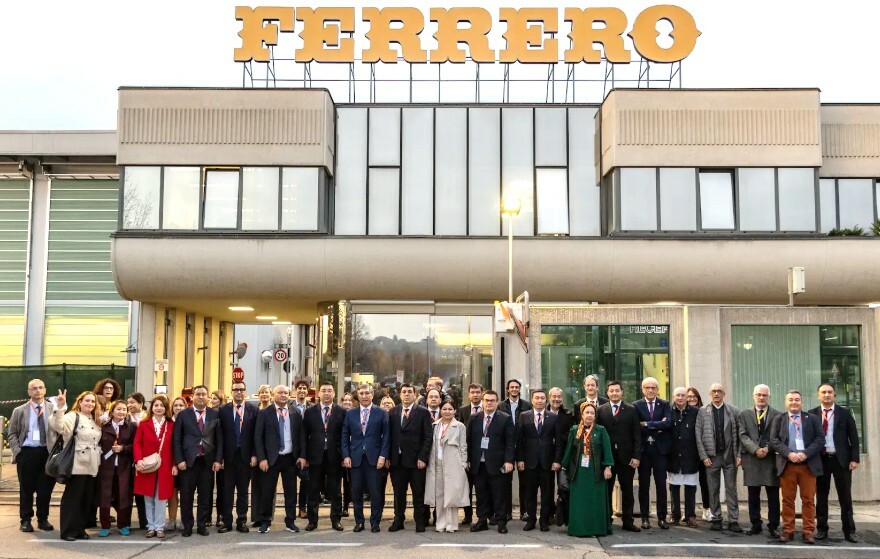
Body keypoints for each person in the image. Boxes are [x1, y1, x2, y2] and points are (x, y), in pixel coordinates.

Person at [769, 390, 824, 544]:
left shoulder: (812, 419)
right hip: (788, 465)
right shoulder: (779, 419)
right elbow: (774, 440)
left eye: (797, 399)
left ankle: (808, 531)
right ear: (786, 402)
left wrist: (806, 453)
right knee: (787, 500)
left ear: (801, 402)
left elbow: (820, 439)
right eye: (791, 400)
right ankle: (788, 530)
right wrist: (789, 454)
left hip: (808, 465)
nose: (794, 402)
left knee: (808, 500)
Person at [810, 384, 860, 543]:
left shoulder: (844, 413)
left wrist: (854, 458)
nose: (827, 395)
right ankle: (822, 529)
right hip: (821, 460)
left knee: (845, 497)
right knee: (821, 497)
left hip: (841, 461)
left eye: (830, 392)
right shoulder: (812, 414)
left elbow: (853, 436)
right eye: (823, 392)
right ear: (818, 395)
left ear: (834, 395)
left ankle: (849, 531)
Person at [50, 389, 102, 541]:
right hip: (77, 463)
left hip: (92, 465)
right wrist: (60, 407)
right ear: (80, 402)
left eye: (93, 401)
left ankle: (79, 529)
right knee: (73, 498)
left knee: (86, 498)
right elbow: (58, 426)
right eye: (87, 400)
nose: (90, 403)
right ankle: (68, 530)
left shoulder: (94, 419)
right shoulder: (73, 416)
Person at [254, 384, 307, 534]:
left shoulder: (295, 412)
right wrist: (262, 458)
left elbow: (301, 436)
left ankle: (290, 521)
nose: (283, 395)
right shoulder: (265, 413)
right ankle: (265, 521)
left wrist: (302, 455)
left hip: (290, 458)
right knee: (267, 491)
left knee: (291, 491)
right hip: (271, 459)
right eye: (280, 393)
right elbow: (258, 436)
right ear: (273, 395)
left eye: (286, 393)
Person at [8, 378, 58, 533]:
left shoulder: (54, 409)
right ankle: (25, 520)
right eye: (34, 388)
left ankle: (43, 519)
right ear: (29, 391)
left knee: (45, 489)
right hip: (27, 453)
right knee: (26, 489)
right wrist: (18, 451)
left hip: (47, 453)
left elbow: (61, 430)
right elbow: (12, 433)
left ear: (45, 390)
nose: (37, 390)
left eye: (40, 387)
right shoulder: (19, 410)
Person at [172, 385, 223, 537]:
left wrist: (218, 459)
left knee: (205, 495)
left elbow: (219, 439)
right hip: (188, 462)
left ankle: (202, 525)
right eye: (198, 394)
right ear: (192, 397)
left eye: (204, 394)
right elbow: (177, 439)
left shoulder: (214, 414)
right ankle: (187, 526)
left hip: (207, 461)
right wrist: (179, 460)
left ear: (208, 397)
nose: (201, 397)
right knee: (186, 496)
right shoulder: (183, 414)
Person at [341, 383, 390, 533]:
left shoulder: (381, 413)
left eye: (367, 393)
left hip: (374, 459)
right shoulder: (351, 413)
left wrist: (383, 456)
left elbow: (386, 437)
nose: (364, 396)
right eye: (361, 393)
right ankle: (359, 522)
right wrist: (346, 455)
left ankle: (375, 522)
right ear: (358, 395)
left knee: (375, 492)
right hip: (355, 458)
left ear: (372, 394)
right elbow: (344, 436)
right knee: (356, 492)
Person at [561, 403, 613, 537]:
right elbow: (569, 450)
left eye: (592, 413)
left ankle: (596, 529)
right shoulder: (574, 430)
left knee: (595, 501)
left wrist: (608, 466)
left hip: (596, 472)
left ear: (595, 416)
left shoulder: (601, 430)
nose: (589, 415)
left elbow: (607, 450)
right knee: (579, 502)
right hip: (578, 473)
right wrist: (563, 467)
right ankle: (579, 529)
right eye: (587, 413)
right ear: (582, 415)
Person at [467, 390, 515, 534]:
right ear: (482, 402)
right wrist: (468, 459)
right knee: (481, 494)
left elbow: (510, 442)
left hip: (497, 464)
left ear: (497, 402)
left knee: (499, 494)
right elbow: (468, 440)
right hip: (478, 464)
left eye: (492, 400)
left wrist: (509, 461)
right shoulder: (474, 418)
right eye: (486, 400)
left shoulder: (505, 418)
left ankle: (501, 522)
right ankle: (482, 520)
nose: (489, 403)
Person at [596, 380, 641, 532]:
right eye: (611, 391)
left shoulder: (631, 410)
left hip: (627, 458)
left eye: (617, 390)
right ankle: (607, 520)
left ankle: (628, 521)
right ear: (607, 393)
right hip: (608, 459)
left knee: (627, 490)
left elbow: (637, 435)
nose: (614, 393)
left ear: (622, 392)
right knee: (606, 490)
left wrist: (636, 456)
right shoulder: (601, 410)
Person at [695, 383, 742, 532]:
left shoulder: (733, 411)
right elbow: (698, 435)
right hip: (711, 457)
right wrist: (704, 456)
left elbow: (740, 435)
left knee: (731, 489)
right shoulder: (703, 411)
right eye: (714, 391)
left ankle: (733, 520)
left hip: (729, 456)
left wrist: (738, 454)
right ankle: (716, 518)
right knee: (713, 489)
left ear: (724, 394)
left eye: (719, 391)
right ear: (710, 394)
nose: (716, 393)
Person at [387, 383, 433, 532]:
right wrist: (388, 457)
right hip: (397, 461)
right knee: (398, 493)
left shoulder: (423, 412)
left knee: (418, 493)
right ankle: (398, 520)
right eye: (404, 392)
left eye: (409, 392)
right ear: (400, 395)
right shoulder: (393, 412)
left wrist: (423, 457)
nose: (406, 394)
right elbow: (389, 436)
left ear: (415, 394)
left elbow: (428, 437)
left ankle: (420, 521)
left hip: (416, 461)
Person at [737, 383, 781, 538]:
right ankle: (755, 524)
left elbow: (778, 436)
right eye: (759, 395)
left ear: (769, 397)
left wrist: (767, 449)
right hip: (752, 458)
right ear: (753, 396)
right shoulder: (744, 415)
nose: (761, 398)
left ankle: (773, 525)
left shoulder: (777, 415)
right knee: (753, 494)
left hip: (770, 459)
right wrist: (755, 449)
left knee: (773, 495)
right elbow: (742, 435)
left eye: (764, 395)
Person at [303, 381, 345, 532]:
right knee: (313, 489)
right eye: (324, 390)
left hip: (334, 456)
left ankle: (336, 519)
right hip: (315, 456)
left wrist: (344, 455)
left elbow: (344, 435)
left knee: (335, 490)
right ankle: (312, 521)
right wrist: (304, 456)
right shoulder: (310, 412)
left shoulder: (341, 411)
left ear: (334, 393)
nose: (326, 393)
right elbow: (304, 436)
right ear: (318, 393)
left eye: (329, 390)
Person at [133, 394, 177, 539]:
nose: (159, 408)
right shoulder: (144, 424)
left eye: (162, 406)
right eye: (156, 405)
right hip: (147, 464)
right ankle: (151, 527)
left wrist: (174, 464)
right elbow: (137, 443)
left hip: (165, 466)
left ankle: (159, 527)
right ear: (152, 407)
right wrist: (138, 460)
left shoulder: (171, 425)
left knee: (161, 498)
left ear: (166, 408)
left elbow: (175, 447)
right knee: (148, 497)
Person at [516, 390, 559, 532]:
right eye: (537, 398)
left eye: (542, 398)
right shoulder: (524, 416)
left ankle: (544, 520)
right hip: (529, 462)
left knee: (547, 494)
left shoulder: (553, 417)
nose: (540, 401)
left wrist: (556, 460)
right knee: (530, 493)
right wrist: (520, 459)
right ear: (532, 400)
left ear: (546, 400)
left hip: (547, 462)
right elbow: (519, 440)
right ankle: (531, 520)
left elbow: (558, 441)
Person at [218, 381, 258, 533]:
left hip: (245, 457)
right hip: (228, 458)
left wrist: (254, 454)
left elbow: (256, 435)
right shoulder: (223, 410)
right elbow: (220, 435)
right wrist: (219, 457)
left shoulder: (253, 410)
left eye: (241, 390)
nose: (239, 392)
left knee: (243, 491)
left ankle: (242, 521)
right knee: (227, 491)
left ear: (245, 392)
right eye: (236, 390)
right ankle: (226, 522)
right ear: (231, 392)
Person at [426, 400, 470, 533]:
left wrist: (463, 463)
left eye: (450, 409)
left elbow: (463, 446)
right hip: (437, 464)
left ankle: (451, 525)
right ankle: (440, 524)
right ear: (440, 410)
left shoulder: (460, 426)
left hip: (454, 464)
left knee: (452, 495)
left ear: (455, 411)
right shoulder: (435, 425)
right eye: (444, 409)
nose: (447, 411)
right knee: (439, 495)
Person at [634, 376, 672, 529]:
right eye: (647, 388)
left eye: (653, 388)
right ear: (642, 389)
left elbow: (668, 423)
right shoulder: (636, 405)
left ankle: (662, 517)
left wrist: (647, 424)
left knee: (661, 484)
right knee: (644, 485)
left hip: (660, 451)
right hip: (644, 451)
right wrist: (658, 425)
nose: (650, 390)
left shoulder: (665, 404)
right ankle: (645, 517)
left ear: (657, 390)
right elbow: (636, 426)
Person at [97, 400, 136, 536]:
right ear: (112, 411)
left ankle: (123, 524)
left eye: (124, 409)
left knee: (124, 496)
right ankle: (105, 525)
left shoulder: (131, 427)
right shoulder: (103, 426)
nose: (121, 412)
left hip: (124, 467)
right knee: (105, 496)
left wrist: (124, 448)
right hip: (106, 467)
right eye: (118, 409)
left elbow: (136, 445)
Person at [667, 387, 700, 528]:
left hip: (690, 455)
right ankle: (675, 514)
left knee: (691, 487)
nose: (680, 398)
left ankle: (690, 516)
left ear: (687, 397)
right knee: (674, 486)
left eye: (683, 395)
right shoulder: (668, 411)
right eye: (677, 395)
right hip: (673, 455)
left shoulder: (696, 412)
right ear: (673, 396)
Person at [498, 379, 531, 521]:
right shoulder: (500, 406)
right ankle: (507, 512)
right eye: (512, 387)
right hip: (507, 447)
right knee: (506, 481)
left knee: (525, 481)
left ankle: (525, 511)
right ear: (507, 389)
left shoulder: (527, 405)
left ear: (519, 389)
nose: (514, 389)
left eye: (517, 387)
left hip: (523, 446)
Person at [457, 383, 483, 525]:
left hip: (483, 456)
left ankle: (483, 515)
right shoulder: (463, 410)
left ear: (482, 393)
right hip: (466, 455)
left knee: (482, 488)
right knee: (466, 488)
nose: (475, 395)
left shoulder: (488, 409)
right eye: (472, 392)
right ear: (468, 395)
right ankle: (468, 515)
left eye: (477, 392)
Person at [548, 386, 574, 526]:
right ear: (549, 397)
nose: (556, 399)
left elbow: (571, 435)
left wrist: (558, 437)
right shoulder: (543, 411)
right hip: (545, 455)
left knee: (563, 487)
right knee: (547, 487)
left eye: (559, 397)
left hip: (563, 456)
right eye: (554, 396)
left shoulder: (568, 414)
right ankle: (549, 514)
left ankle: (564, 516)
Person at [251, 384, 273, 528]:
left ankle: (267, 515)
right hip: (256, 452)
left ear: (271, 395)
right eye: (261, 392)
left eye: (266, 392)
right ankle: (257, 517)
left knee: (269, 487)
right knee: (256, 486)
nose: (264, 394)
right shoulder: (254, 410)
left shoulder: (275, 410)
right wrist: (254, 454)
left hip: (271, 454)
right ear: (258, 395)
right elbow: (253, 434)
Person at [687, 387, 711, 520]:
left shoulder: (704, 412)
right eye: (689, 396)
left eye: (694, 396)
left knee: (705, 482)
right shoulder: (683, 412)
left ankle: (707, 509)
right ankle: (688, 511)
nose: (691, 399)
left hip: (702, 452)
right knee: (689, 484)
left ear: (698, 398)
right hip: (688, 453)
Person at [166, 397, 188, 531]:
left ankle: (185, 520)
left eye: (181, 405)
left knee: (186, 493)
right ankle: (172, 520)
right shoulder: (168, 423)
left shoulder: (189, 421)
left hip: (186, 462)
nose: (178, 408)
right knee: (172, 493)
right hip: (170, 462)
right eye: (176, 405)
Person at [292, 380, 312, 519]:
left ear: (307, 391)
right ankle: (290, 509)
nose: (302, 390)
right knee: (290, 482)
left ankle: (302, 507)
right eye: (299, 388)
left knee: (306, 480)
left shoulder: (312, 408)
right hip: (291, 449)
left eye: (304, 388)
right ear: (296, 390)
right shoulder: (289, 406)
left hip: (306, 450)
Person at [127, 392, 147, 529]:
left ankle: (144, 521)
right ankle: (125, 522)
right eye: (128, 402)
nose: (129, 405)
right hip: (127, 457)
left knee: (142, 492)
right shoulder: (125, 416)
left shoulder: (148, 417)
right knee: (127, 491)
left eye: (133, 402)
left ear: (141, 403)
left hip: (143, 457)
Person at [208, 390, 227, 527]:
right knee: (207, 487)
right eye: (211, 398)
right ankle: (207, 515)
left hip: (221, 453)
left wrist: (222, 457)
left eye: (215, 398)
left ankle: (220, 515)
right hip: (208, 453)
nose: (212, 400)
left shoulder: (224, 413)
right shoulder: (207, 413)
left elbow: (225, 436)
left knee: (222, 487)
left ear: (221, 400)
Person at [340, 392, 355, 517]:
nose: (347, 402)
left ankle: (346, 506)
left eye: (349, 400)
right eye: (345, 400)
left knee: (348, 481)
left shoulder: (356, 414)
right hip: (338, 452)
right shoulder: (338, 414)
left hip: (352, 453)